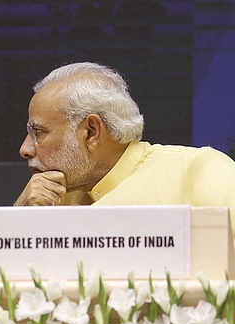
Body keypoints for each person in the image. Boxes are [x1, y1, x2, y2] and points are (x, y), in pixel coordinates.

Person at [13, 62, 235, 237]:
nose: (25, 149)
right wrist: (20, 216)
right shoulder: (49, 200)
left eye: (38, 132)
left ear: (91, 132)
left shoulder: (196, 171)